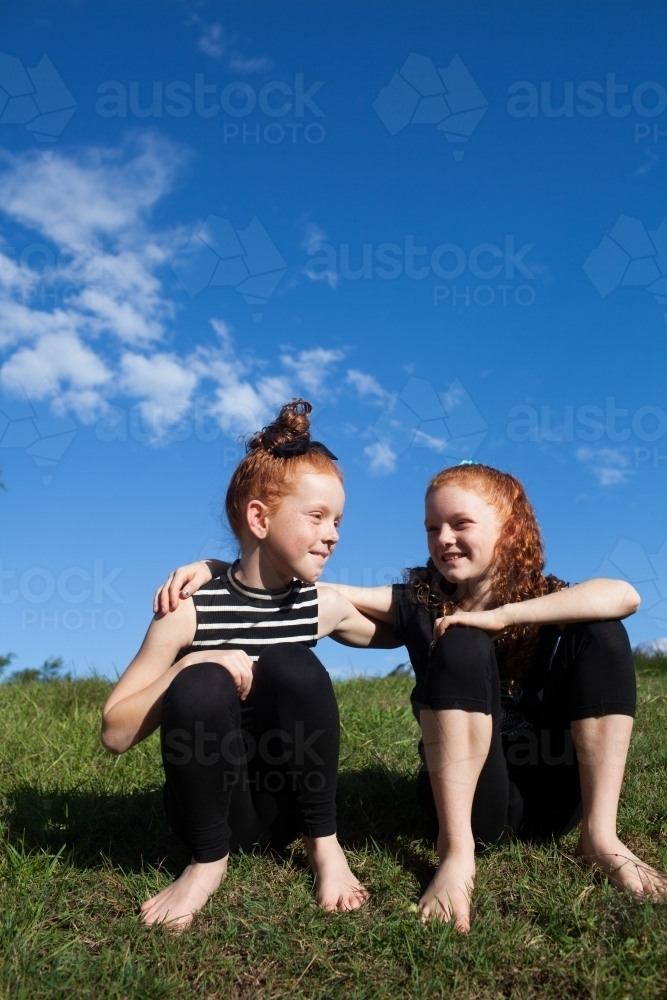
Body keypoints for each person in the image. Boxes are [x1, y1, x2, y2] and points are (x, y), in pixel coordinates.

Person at [156, 462, 665, 932]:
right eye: (432, 528)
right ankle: (455, 852)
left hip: (557, 799)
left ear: (509, 527)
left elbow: (624, 595)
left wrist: (500, 617)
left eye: (460, 524)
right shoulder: (423, 604)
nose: (443, 539)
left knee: (602, 632)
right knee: (460, 639)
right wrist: (222, 567)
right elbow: (319, 590)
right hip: (476, 804)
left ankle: (601, 836)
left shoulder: (548, 600)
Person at [101, 399, 397, 929]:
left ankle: (324, 846)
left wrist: (478, 611)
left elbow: (406, 626)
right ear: (259, 517)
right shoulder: (188, 610)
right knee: (202, 679)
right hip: (211, 811)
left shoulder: (319, 606)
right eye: (317, 517)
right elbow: (115, 732)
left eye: (338, 520)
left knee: (291, 665)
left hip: (288, 810)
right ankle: (207, 863)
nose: (334, 533)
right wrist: (194, 663)